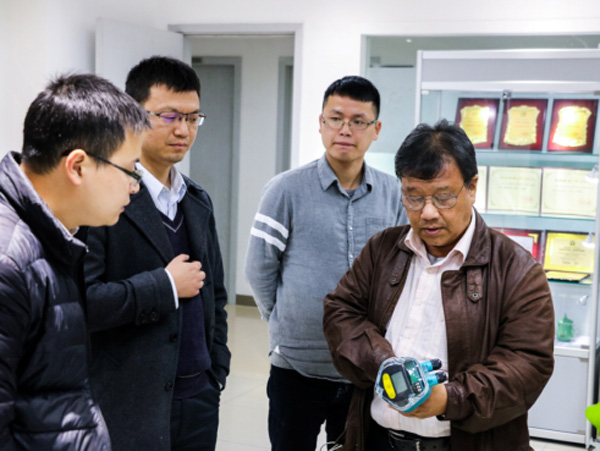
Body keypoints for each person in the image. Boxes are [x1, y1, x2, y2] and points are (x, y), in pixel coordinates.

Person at [323, 119, 555, 451]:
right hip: (376, 439)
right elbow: (340, 312)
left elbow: (527, 364)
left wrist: (450, 398)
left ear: (472, 187)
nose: (428, 212)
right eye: (413, 197)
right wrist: (383, 363)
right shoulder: (383, 250)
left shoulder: (517, 270)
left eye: (443, 197)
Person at [245, 75, 407, 450]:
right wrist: (284, 320)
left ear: (376, 129)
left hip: (366, 368)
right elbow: (259, 269)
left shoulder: (393, 194)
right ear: (321, 123)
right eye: (335, 119)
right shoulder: (285, 189)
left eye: (358, 121)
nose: (345, 130)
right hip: (297, 366)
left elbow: (401, 271)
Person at [82, 56, 230, 451]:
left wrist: (216, 368)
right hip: (129, 402)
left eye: (193, 118)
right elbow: (84, 303)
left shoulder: (196, 200)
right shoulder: (103, 201)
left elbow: (214, 293)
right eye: (168, 116)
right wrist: (163, 286)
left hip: (199, 395)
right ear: (133, 115)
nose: (183, 129)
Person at [0, 73, 149, 449]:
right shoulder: (9, 260)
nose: (135, 186)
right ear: (78, 166)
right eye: (130, 169)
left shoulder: (54, 236)